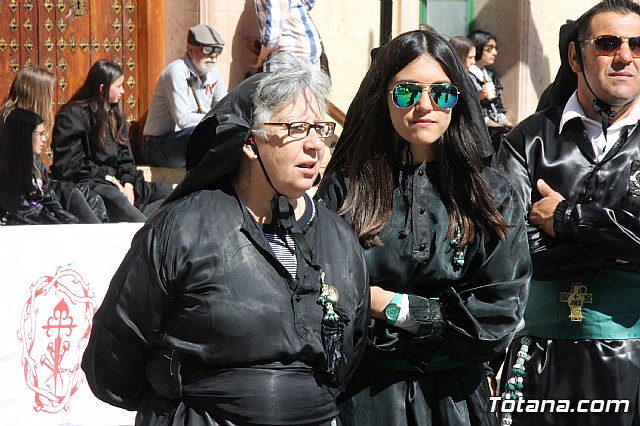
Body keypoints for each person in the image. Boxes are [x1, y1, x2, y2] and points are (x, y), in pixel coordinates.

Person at [81, 58, 370, 425]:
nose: (316, 146)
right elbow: (114, 356)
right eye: (297, 128)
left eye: (321, 129)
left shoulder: (340, 241)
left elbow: (350, 351)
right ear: (250, 143)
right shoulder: (181, 231)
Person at [316, 29, 531, 426]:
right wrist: (442, 320)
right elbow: (328, 304)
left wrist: (390, 306)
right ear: (384, 97)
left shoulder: (491, 195)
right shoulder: (346, 190)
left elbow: (495, 319)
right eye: (407, 92)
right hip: (364, 402)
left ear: (458, 99)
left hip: (458, 404)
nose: (425, 106)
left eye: (442, 93)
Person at [496, 1, 640, 425]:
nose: (625, 57)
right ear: (575, 56)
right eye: (608, 43)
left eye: (638, 44)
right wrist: (619, 249)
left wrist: (568, 220)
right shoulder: (528, 140)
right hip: (540, 357)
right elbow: (507, 246)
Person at [51, 60, 171, 223]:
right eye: (118, 86)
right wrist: (110, 180)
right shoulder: (72, 117)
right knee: (116, 197)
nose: (123, 91)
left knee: (167, 194)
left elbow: (125, 156)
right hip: (91, 182)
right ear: (102, 89)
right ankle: (141, 229)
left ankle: (148, 223)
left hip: (119, 181)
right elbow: (71, 166)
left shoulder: (115, 114)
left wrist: (128, 181)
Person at [0, 65, 107, 223]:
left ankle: (100, 233)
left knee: (92, 197)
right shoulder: (14, 121)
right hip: (24, 191)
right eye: (48, 93)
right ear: (37, 93)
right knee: (71, 193)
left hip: (38, 182)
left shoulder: (31, 121)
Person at [143, 24, 227, 168]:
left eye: (217, 50)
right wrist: (216, 119)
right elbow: (183, 119)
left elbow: (226, 107)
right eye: (207, 49)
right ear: (190, 49)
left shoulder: (214, 73)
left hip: (192, 138)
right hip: (158, 145)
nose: (213, 55)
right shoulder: (176, 71)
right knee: (202, 133)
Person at [0, 108, 78, 225]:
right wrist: (57, 225)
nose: (44, 139)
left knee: (78, 195)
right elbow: (26, 213)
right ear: (25, 136)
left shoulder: (34, 161)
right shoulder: (8, 172)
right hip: (18, 230)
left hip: (40, 223)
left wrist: (68, 220)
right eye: (40, 134)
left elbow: (47, 197)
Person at [468, 30, 514, 151]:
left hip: (494, 124)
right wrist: (481, 95)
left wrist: (508, 123)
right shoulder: (467, 75)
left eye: (495, 48)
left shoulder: (491, 76)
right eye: (489, 48)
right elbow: (467, 103)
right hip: (476, 126)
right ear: (478, 48)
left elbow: (497, 104)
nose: (494, 52)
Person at [252, 0, 325, 72]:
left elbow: (273, 36)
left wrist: (261, 59)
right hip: (308, 47)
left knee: (276, 82)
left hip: (291, 52)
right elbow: (309, 3)